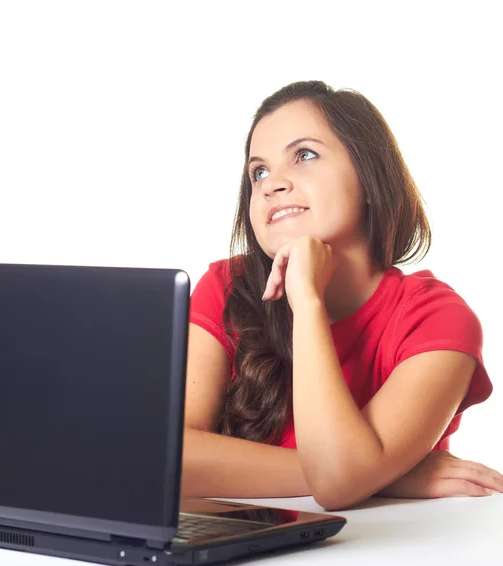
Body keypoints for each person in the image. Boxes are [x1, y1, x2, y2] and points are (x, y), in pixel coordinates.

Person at [181, 80, 503, 511]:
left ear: (370, 179)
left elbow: (337, 486)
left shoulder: (437, 319)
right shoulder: (226, 288)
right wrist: (382, 474)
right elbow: (166, 457)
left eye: (305, 155)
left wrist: (307, 302)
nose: (272, 183)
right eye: (258, 171)